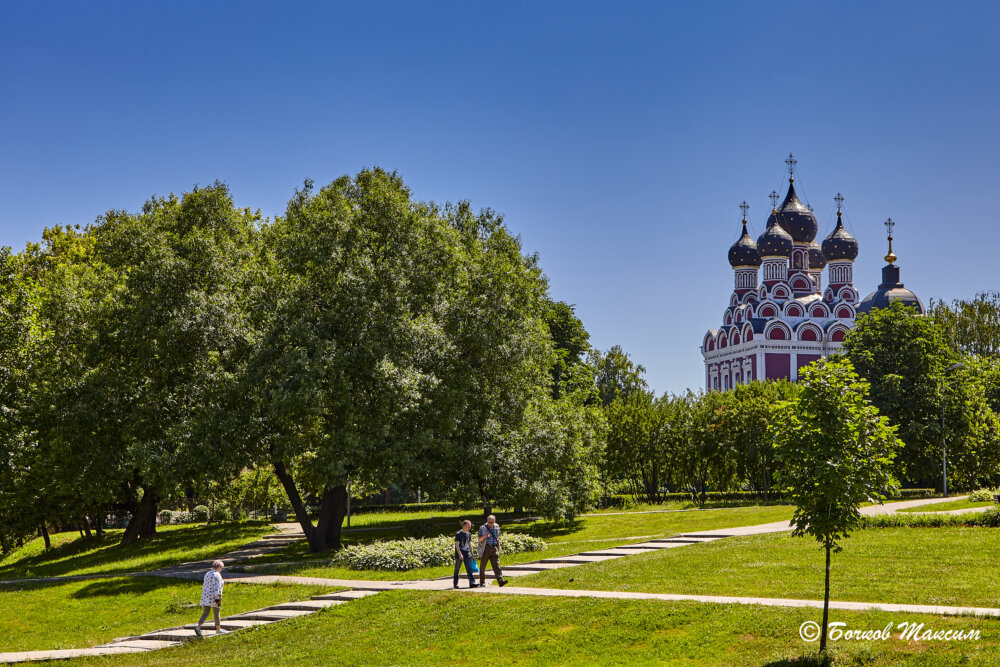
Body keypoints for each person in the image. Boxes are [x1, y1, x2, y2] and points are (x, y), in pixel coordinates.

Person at [194, 560, 227, 637]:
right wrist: (218, 598)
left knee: (205, 613)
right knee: (216, 613)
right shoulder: (217, 575)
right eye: (221, 568)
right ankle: (218, 629)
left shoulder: (207, 574)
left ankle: (198, 627)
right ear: (219, 567)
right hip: (215, 597)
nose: (221, 569)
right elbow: (218, 587)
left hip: (205, 597)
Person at [477, 514, 508, 587]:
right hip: (485, 548)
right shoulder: (483, 528)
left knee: (496, 565)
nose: (490, 524)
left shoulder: (496, 527)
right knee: (483, 566)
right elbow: (479, 539)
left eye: (492, 522)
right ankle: (482, 582)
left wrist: (498, 547)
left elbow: (498, 537)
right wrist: (485, 536)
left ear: (494, 521)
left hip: (494, 548)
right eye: (489, 522)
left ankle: (500, 581)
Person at [453, 519, 480, 589]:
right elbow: (457, 545)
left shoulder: (469, 534)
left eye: (470, 527)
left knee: (469, 569)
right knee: (457, 569)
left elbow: (469, 544)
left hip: (467, 554)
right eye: (468, 526)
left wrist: (472, 554)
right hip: (460, 554)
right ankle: (455, 584)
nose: (469, 528)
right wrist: (459, 554)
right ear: (464, 526)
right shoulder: (458, 534)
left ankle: (472, 583)